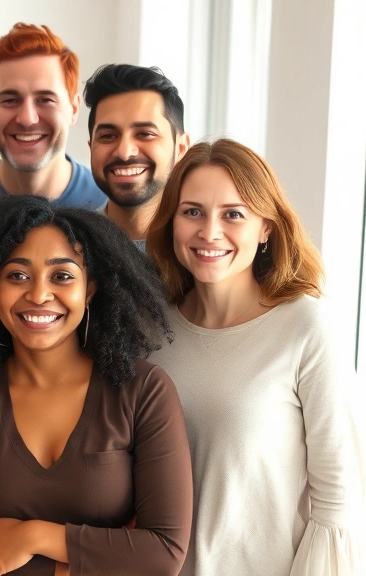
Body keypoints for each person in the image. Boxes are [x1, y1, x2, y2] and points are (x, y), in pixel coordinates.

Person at [0, 195, 193, 575]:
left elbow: (163, 553)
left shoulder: (143, 390)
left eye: (62, 276)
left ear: (89, 290)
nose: (39, 294)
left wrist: (33, 537)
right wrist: (106, 554)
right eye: (17, 276)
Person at [146, 138, 362, 575]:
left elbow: (338, 502)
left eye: (233, 214)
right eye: (192, 212)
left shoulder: (306, 327)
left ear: (265, 228)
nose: (209, 232)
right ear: (171, 223)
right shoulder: (150, 331)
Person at [0, 23, 106, 209]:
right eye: (10, 100)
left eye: (46, 100)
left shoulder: (108, 205)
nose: (27, 119)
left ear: (74, 109)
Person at [84, 64, 190, 250]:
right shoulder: (71, 245)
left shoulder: (205, 248)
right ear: (91, 147)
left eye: (145, 134)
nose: (124, 152)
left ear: (181, 148)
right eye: (108, 136)